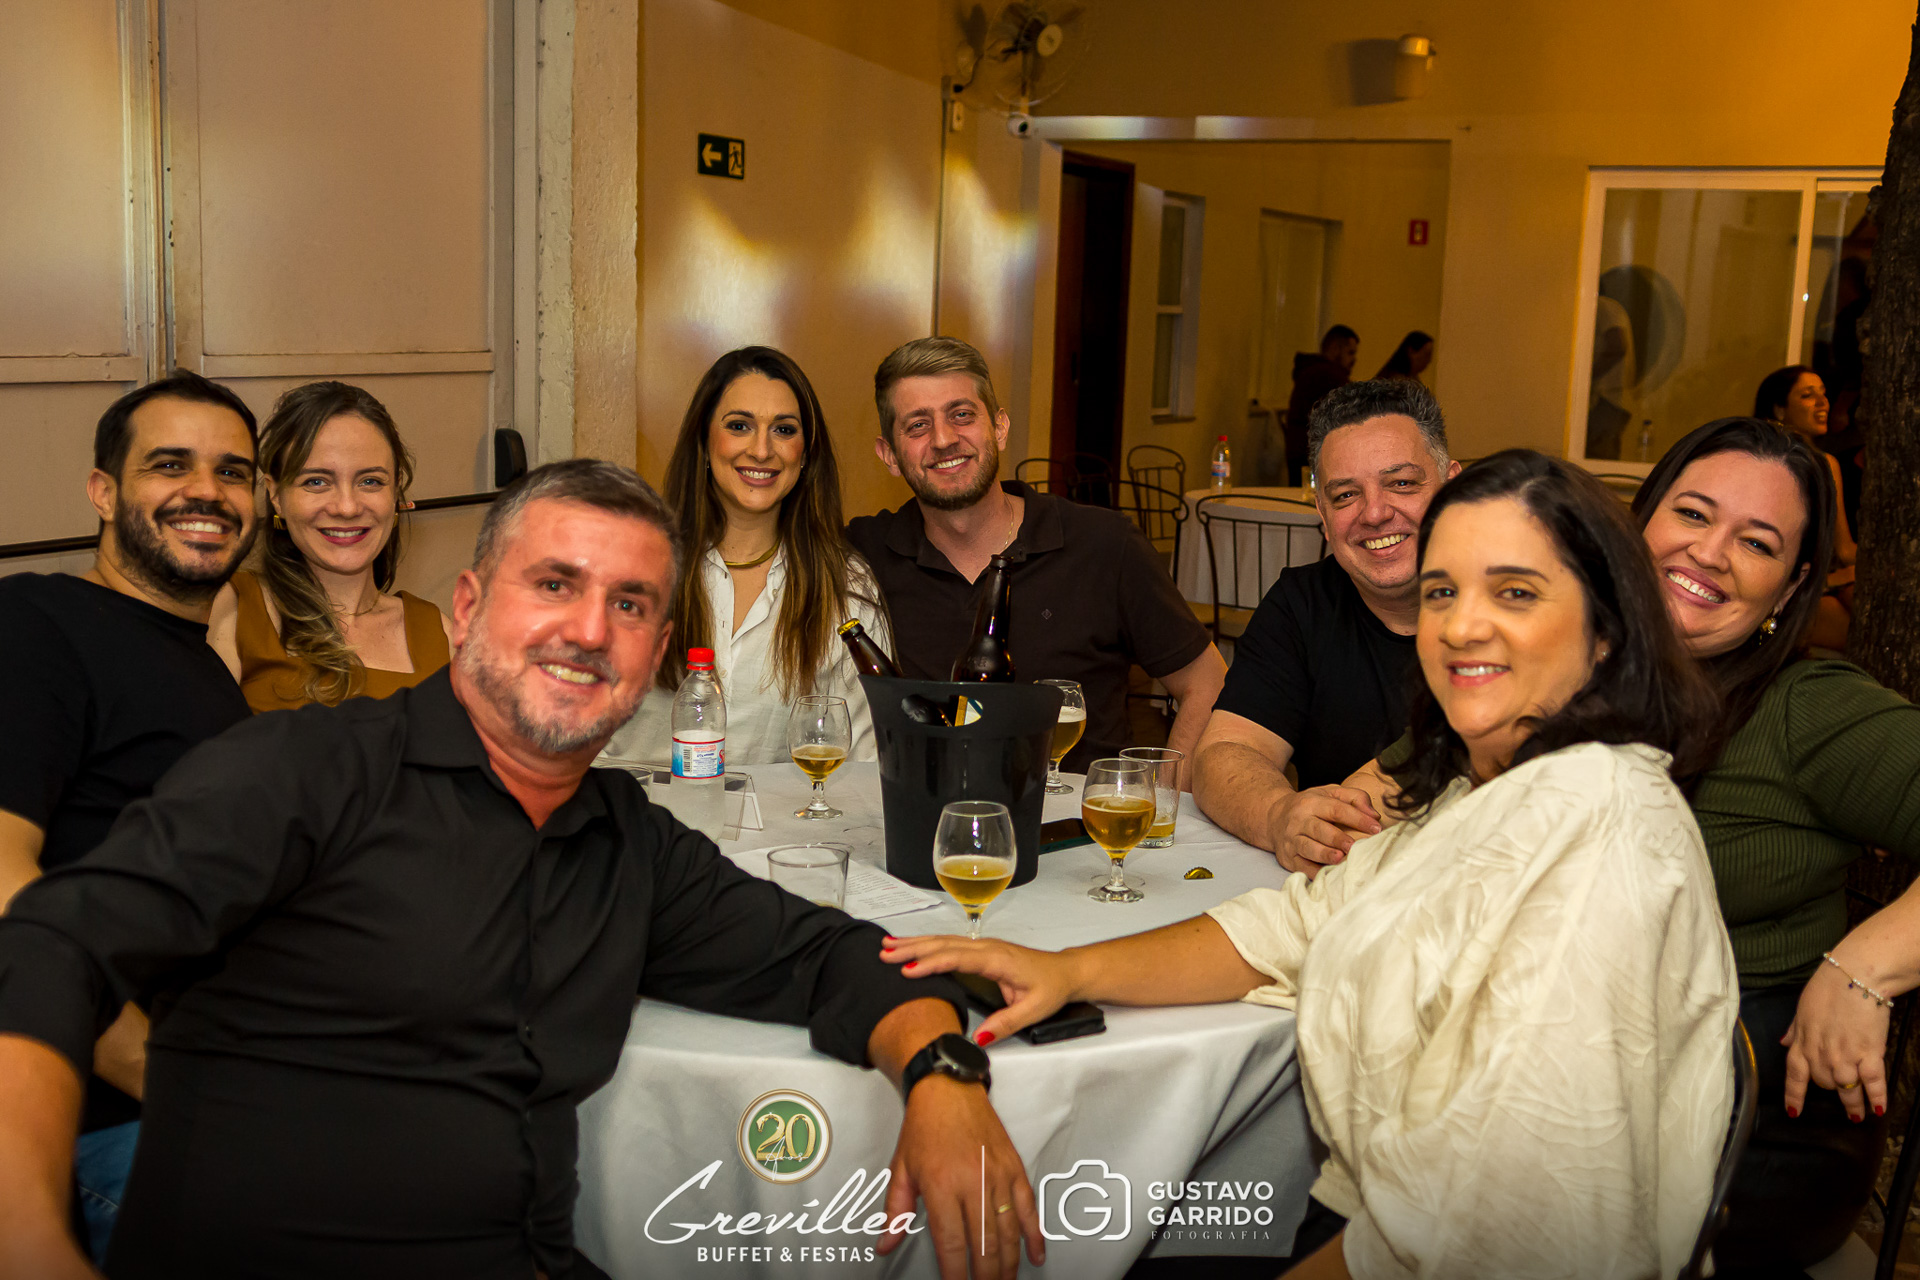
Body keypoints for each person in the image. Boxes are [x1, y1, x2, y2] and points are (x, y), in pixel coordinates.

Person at [0, 460, 1043, 1280]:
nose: (589, 631)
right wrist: (35, 1251)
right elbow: (47, 949)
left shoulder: (627, 843)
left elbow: (830, 957)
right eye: (554, 584)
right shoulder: (305, 773)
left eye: (630, 605)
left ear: (658, 654)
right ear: (465, 607)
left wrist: (944, 1076)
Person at [885, 451, 1735, 1278]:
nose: (1462, 625)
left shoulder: (1598, 834)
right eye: (1442, 591)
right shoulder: (1487, 790)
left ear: (1606, 631)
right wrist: (1069, 970)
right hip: (1374, 1213)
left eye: (1515, 591)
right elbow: (1300, 921)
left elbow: (1498, 1233)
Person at [1631, 417, 1920, 1273]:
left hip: (1752, 1131)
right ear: (1639, 521)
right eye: (1692, 513)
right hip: (1587, 1081)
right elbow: (1388, 789)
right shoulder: (1565, 660)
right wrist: (1293, 807)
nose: (1710, 552)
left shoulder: (1807, 707)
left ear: (1791, 590)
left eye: (1756, 542)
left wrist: (1868, 964)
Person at [0, 370, 259, 1263]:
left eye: (233, 471)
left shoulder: (200, 667)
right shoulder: (37, 621)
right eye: (170, 465)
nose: (207, 491)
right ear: (103, 492)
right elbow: (6, 890)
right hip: (110, 1127)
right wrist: (168, 1082)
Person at [846, 336, 1226, 777]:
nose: (944, 439)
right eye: (917, 425)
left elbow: (1207, 681)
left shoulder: (1104, 545)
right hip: (928, 813)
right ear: (890, 455)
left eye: (962, 415)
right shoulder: (863, 553)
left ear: (1000, 427)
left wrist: (1162, 798)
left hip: (1079, 817)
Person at [1191, 379, 1459, 875]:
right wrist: (1280, 814)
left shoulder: (1510, 615)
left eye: (1402, 483)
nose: (1375, 513)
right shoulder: (1301, 605)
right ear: (1321, 512)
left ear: (1452, 487)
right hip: (1343, 887)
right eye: (1346, 494)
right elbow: (1224, 753)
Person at [604, 347, 889, 764]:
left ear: (806, 454)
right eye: (739, 426)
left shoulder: (845, 586)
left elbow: (867, 764)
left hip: (790, 811)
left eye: (784, 430)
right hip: (632, 807)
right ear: (704, 442)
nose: (761, 450)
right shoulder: (629, 567)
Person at [207, 381, 452, 711]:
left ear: (395, 492)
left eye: (370, 481)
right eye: (317, 481)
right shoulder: (234, 609)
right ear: (276, 495)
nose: (347, 507)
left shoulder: (441, 635)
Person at [1754, 365, 1853, 650]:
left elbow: (1844, 550)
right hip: (1775, 586)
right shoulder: (1761, 463)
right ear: (1779, 410)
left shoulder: (1827, 464)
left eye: (1823, 393)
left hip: (1817, 582)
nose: (1823, 403)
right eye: (1808, 395)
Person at [1284, 325, 1359, 485]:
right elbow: (1354, 410)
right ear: (1335, 348)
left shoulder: (1312, 371)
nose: (1354, 360)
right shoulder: (1329, 375)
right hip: (1315, 456)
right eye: (1350, 352)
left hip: (1302, 453)